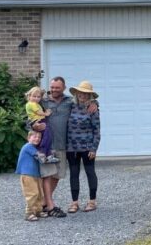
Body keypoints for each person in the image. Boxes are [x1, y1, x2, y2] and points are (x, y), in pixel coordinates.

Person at [31, 76, 97, 218]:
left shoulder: (69, 102)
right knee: (47, 175)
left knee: (57, 176)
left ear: (64, 89)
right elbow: (30, 115)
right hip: (47, 146)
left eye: (57, 88)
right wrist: (32, 125)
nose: (54, 90)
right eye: (52, 87)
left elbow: (86, 105)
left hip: (63, 146)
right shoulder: (42, 102)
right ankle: (48, 205)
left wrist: (95, 103)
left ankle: (44, 203)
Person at [66, 81, 101, 213]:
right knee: (73, 174)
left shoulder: (92, 109)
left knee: (90, 172)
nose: (83, 95)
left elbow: (97, 130)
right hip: (71, 146)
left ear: (90, 95)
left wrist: (94, 148)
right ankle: (74, 203)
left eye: (86, 93)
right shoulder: (70, 105)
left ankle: (92, 201)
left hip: (87, 147)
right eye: (80, 92)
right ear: (76, 93)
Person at [16, 131, 45, 222]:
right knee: (32, 193)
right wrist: (46, 157)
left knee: (40, 193)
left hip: (35, 174)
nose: (37, 139)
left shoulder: (34, 148)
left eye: (39, 137)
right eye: (34, 137)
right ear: (28, 138)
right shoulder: (28, 147)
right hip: (27, 174)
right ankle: (29, 213)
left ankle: (38, 210)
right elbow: (40, 156)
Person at [24, 86, 58, 164]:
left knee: (46, 136)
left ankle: (48, 154)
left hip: (38, 120)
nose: (36, 98)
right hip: (38, 121)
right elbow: (38, 112)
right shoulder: (32, 104)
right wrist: (47, 113)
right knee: (47, 136)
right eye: (34, 96)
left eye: (38, 97)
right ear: (29, 96)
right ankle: (42, 151)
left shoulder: (35, 103)